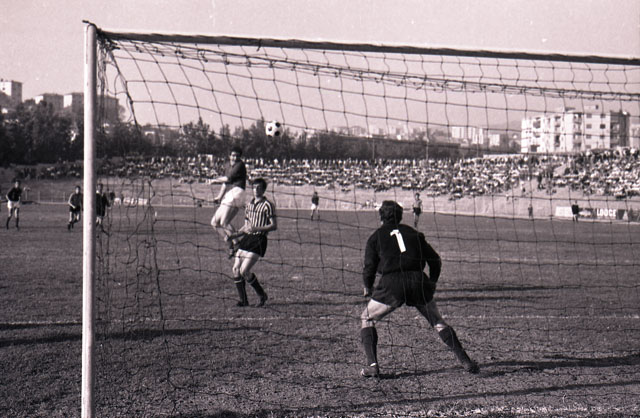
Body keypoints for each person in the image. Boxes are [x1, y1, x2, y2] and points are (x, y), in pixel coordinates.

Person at [358, 200, 479, 378]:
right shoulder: (413, 233)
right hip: (418, 280)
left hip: (392, 283)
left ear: (380, 217)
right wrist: (432, 282)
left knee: (367, 318)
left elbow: (369, 266)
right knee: (437, 320)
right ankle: (466, 361)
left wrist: (367, 287)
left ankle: (372, 366)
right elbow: (435, 260)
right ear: (400, 216)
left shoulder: (375, 237)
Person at [228, 178, 276, 307]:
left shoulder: (268, 205)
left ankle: (262, 295)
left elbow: (274, 225)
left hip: (259, 240)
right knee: (235, 269)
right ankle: (244, 300)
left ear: (263, 190)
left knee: (244, 271)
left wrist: (257, 228)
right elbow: (246, 227)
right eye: (254, 187)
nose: (256, 190)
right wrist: (234, 235)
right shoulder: (249, 205)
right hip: (247, 239)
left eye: (259, 188)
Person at [211, 146, 247, 258]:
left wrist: (214, 180)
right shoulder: (228, 165)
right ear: (229, 155)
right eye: (233, 155)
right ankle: (231, 244)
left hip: (237, 193)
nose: (235, 158)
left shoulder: (240, 165)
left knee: (224, 223)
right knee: (214, 223)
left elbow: (228, 179)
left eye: (237, 156)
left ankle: (237, 244)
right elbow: (225, 183)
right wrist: (219, 197)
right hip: (229, 194)